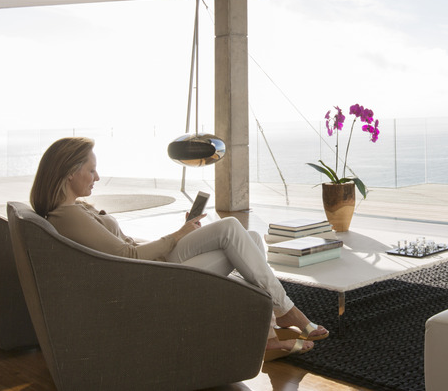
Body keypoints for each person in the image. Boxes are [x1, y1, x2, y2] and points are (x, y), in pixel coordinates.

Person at [30, 137, 328, 361]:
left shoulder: (76, 208)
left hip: (150, 267)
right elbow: (126, 256)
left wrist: (178, 234)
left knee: (249, 237)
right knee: (232, 231)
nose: (97, 177)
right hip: (150, 283)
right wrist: (177, 236)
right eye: (92, 170)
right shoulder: (67, 215)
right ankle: (285, 312)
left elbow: (127, 246)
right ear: (69, 172)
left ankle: (269, 331)